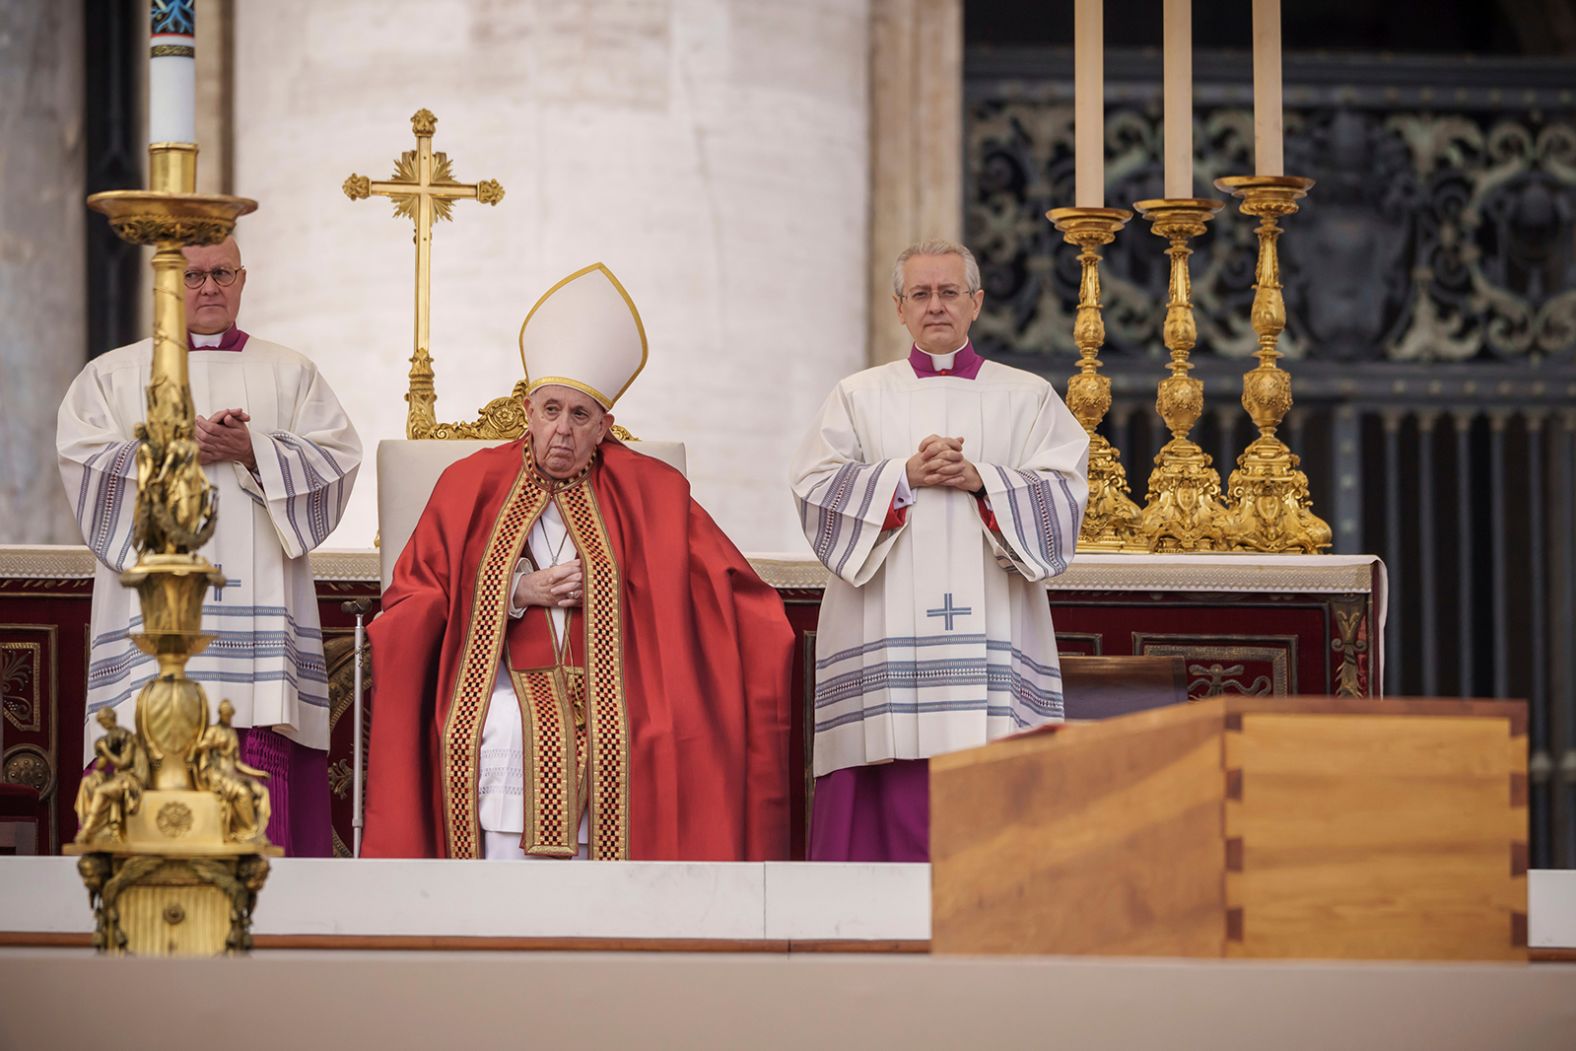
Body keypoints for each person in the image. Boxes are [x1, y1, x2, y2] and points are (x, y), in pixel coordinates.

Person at [362, 262, 792, 861]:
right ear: (528, 411)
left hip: (623, 681)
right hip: (501, 682)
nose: (561, 431)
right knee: (506, 726)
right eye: (550, 410)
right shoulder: (469, 485)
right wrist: (513, 592)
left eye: (580, 415)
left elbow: (726, 591)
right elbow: (415, 596)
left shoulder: (653, 492)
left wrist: (624, 588)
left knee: (651, 734)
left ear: (604, 427)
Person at [57, 235, 361, 857]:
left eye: (222, 273)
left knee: (255, 756)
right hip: (153, 627)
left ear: (243, 279)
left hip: (257, 645)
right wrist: (169, 449)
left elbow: (337, 460)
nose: (209, 288)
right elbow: (83, 464)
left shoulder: (290, 372)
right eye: (192, 276)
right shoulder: (112, 375)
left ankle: (267, 926)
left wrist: (254, 450)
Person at [789, 239, 1089, 862]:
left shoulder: (1028, 396)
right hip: (886, 630)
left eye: (949, 292)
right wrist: (902, 477)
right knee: (886, 762)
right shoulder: (857, 396)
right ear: (899, 308)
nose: (936, 306)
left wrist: (983, 479)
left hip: (993, 634)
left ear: (976, 303)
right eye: (920, 294)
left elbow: (1064, 499)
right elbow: (814, 490)